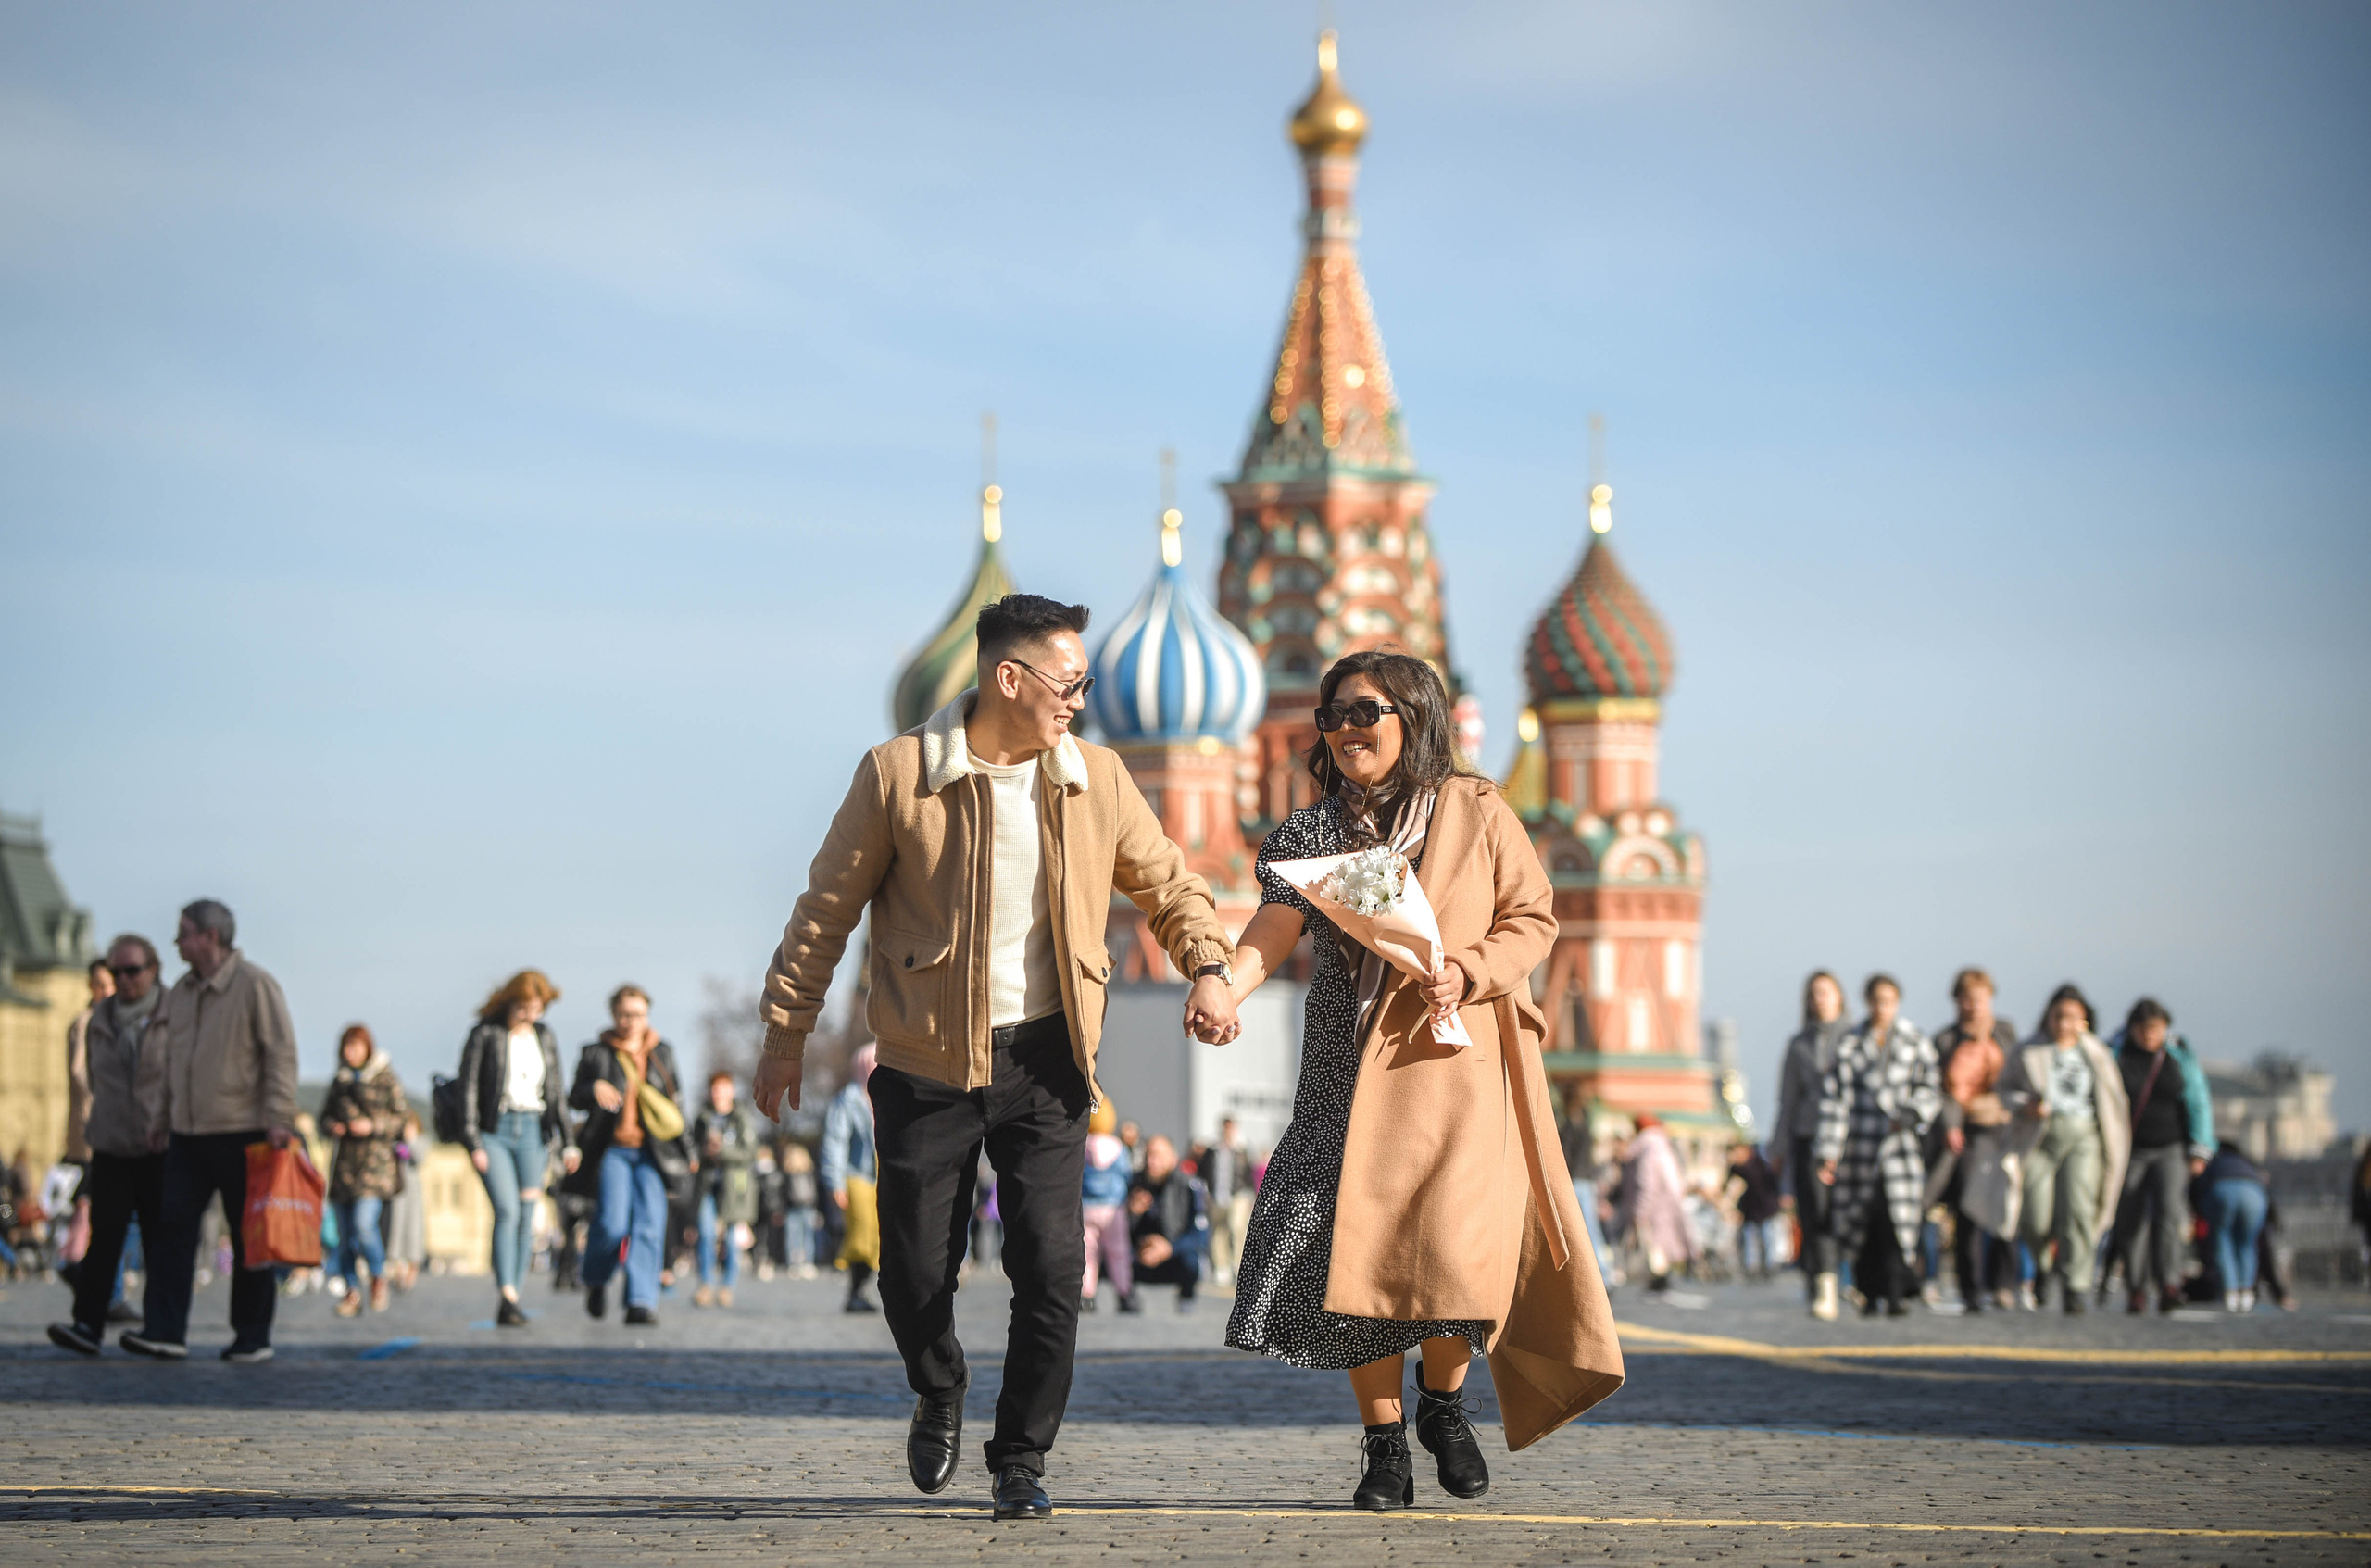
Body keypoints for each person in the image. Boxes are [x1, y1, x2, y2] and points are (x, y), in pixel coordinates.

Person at [751, 592, 1239, 1521]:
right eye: (1069, 682)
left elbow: (1170, 883)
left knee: (1055, 1271)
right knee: (911, 1272)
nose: (1079, 701)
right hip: (925, 1061)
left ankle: (1020, 1455)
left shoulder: (1092, 777)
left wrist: (1208, 965)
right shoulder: (901, 776)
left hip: (1048, 1063)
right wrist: (786, 1032)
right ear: (1007, 678)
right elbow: (826, 909)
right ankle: (938, 1384)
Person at [1221, 648, 1624, 1512]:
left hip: (1451, 1063)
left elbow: (1533, 917)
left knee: (1449, 1247)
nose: (1345, 729)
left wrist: (1471, 969)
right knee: (1354, 1255)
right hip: (1347, 1068)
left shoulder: (1474, 811)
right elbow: (1274, 924)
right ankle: (1382, 1446)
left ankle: (1443, 1405)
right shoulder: (1312, 834)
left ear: (1414, 716)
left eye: (1364, 712)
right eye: (1331, 716)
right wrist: (1228, 985)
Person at [122, 900, 298, 1362]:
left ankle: (252, 1336)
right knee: (171, 1230)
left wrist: (280, 1117)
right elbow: (170, 1065)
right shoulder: (179, 993)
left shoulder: (256, 985)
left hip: (244, 1129)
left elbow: (280, 1054)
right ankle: (164, 1330)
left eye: (184, 933)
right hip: (187, 1133)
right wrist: (161, 1119)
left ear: (211, 937)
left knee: (248, 1238)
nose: (176, 942)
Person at [47, 935, 167, 1356]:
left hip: (158, 1142)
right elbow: (89, 1080)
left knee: (159, 1238)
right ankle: (88, 1324)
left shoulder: (173, 1014)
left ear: (153, 969)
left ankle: (162, 1327)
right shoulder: (99, 1019)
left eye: (131, 971)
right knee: (104, 1236)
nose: (122, 980)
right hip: (111, 1141)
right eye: (116, 972)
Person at [1814, 974, 1941, 1321]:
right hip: (1860, 1146)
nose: (1881, 1008)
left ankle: (1898, 1290)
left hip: (1899, 1145)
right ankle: (1868, 1291)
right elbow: (1835, 1101)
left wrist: (1912, 1113)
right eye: (1876, 1000)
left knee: (1898, 1221)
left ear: (1897, 1002)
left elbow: (1931, 1088)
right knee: (1862, 1219)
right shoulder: (1851, 1044)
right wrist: (1830, 1151)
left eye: (1887, 1001)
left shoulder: (1915, 1041)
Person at [457, 971, 578, 1328]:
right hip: (495, 1130)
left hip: (532, 1131)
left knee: (527, 1214)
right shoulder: (485, 1034)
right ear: (510, 1002)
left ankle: (513, 1296)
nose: (531, 1016)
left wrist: (568, 1141)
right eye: (525, 1008)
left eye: (538, 1009)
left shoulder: (545, 1036)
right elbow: (468, 1089)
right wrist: (472, 1141)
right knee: (506, 1210)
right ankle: (505, 1288)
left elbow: (555, 1091)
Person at [1998, 984, 2129, 1314]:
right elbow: (2003, 1090)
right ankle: (2043, 1267)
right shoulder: (2028, 1050)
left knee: (2078, 1210)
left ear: (2084, 1019)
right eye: (2058, 1016)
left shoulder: (2096, 1053)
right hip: (2039, 1136)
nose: (2063, 1023)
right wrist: (2025, 1103)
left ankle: (2076, 1285)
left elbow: (2114, 1101)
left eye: (2071, 1017)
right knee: (2035, 1215)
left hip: (2084, 1135)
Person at [568, 985, 687, 1327]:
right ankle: (595, 1278)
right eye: (624, 1014)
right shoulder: (595, 1053)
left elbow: (676, 1104)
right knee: (612, 1223)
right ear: (613, 1015)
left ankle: (640, 1301)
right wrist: (593, 1088)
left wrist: (687, 1150)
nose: (631, 1022)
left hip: (653, 1153)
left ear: (647, 1015)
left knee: (650, 1225)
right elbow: (573, 1097)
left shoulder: (662, 1052)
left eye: (638, 1015)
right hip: (612, 1151)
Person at [2105, 997, 2214, 1314]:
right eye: (2143, 1029)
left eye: (2156, 1028)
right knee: (2130, 1218)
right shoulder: (2117, 1056)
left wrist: (2200, 1147)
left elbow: (2198, 1102)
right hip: (2129, 1151)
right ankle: (2137, 1287)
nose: (2149, 1035)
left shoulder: (2178, 1058)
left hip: (2171, 1148)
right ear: (2132, 1029)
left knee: (2169, 1213)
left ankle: (2169, 1284)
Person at [1927, 967, 2019, 1312]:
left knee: (2006, 1207)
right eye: (1967, 999)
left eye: (1980, 999)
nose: (1974, 1006)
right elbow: (1942, 1091)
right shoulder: (1946, 1041)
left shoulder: (2006, 1033)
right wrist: (1950, 1125)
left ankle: (2004, 1284)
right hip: (1966, 1132)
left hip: (2004, 1128)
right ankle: (1971, 1287)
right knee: (1968, 1209)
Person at [320, 1024, 409, 1317]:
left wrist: (373, 1126)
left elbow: (401, 1118)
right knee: (345, 1236)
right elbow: (325, 1116)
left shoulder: (385, 1078)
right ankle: (351, 1291)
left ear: (367, 1048)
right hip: (345, 1167)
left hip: (375, 1168)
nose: (351, 1052)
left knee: (363, 1225)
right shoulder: (340, 1081)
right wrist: (331, 1126)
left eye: (356, 1046)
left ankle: (377, 1273)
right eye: (347, 1047)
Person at [1770, 971, 1848, 1302]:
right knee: (1812, 1210)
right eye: (1814, 994)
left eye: (1826, 993)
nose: (1820, 999)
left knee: (1842, 1211)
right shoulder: (1798, 1044)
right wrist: (1778, 1146)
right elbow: (1787, 1099)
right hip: (1806, 1135)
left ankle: (1847, 1277)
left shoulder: (1853, 1038)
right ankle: (1821, 1279)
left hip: (1847, 1137)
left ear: (1839, 997)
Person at [692, 1072, 762, 1308]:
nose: (719, 1094)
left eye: (723, 1088)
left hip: (735, 1187)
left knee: (733, 1239)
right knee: (705, 1233)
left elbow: (750, 1153)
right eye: (715, 1089)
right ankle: (705, 1284)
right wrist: (703, 1151)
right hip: (707, 1184)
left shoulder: (742, 1117)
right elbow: (693, 1149)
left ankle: (727, 1287)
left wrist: (721, 1151)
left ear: (731, 1090)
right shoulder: (702, 1117)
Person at [820, 1045, 881, 1313]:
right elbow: (835, 1142)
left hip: (884, 1176)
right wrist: (835, 1183)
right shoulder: (850, 1098)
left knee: (879, 1237)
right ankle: (856, 1291)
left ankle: (866, 1290)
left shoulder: (885, 1097)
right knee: (861, 1237)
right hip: (857, 1177)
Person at [1126, 1135, 1209, 1311]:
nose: (1151, 1161)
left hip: (1174, 1255)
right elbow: (1117, 1231)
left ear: (1173, 1159)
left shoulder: (1189, 1185)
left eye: (1157, 1156)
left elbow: (1200, 1234)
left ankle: (1186, 1296)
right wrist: (1131, 1215)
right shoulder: (1134, 1183)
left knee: (1192, 1261)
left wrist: (1169, 1248)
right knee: (1115, 1253)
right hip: (1142, 1254)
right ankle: (1126, 1296)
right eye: (1148, 1155)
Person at [1618, 1114, 1695, 1292]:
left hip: (1655, 1207)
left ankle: (1659, 1282)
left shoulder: (1648, 1149)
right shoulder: (1662, 1146)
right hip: (1666, 1204)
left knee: (1654, 1246)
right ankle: (1660, 1281)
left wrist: (1640, 1211)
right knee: (1661, 1246)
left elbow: (1647, 1182)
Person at [2194, 1139, 2270, 1312]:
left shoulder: (2215, 1162)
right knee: (2247, 1244)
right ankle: (2247, 1292)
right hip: (2255, 1195)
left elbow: (2199, 1187)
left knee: (2223, 1241)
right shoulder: (2247, 1162)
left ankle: (2230, 1292)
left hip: (2222, 1191)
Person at [1079, 1101, 1134, 1311]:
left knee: (1088, 1253)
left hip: (1087, 1207)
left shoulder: (1083, 1144)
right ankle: (1123, 1293)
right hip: (1113, 1208)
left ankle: (1087, 1296)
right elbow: (1126, 1174)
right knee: (1118, 1251)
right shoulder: (1118, 1148)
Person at [1203, 1116, 1255, 1288]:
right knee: (1218, 1231)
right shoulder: (1212, 1149)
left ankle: (1238, 1265)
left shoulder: (1242, 1149)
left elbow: (1249, 1173)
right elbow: (1204, 1171)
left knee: (1237, 1227)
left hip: (1237, 1194)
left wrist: (1252, 1195)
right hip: (1217, 1195)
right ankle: (1221, 1266)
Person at [1725, 1142, 1785, 1280]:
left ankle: (1769, 1266)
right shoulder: (1737, 1168)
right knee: (1750, 1239)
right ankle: (1752, 1267)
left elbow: (1771, 1184)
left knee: (1767, 1238)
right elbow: (1729, 1184)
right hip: (1750, 1211)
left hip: (1766, 1209)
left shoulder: (1759, 1165)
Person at [384, 1115, 427, 1292]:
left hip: (413, 1195)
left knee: (413, 1232)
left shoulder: (422, 1142)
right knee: (395, 1230)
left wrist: (411, 1140)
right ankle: (398, 1269)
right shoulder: (395, 1142)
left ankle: (412, 1270)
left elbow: (419, 1158)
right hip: (396, 1192)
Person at [783, 1142, 821, 1279]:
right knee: (802, 1237)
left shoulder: (797, 1174)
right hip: (801, 1208)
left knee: (798, 1236)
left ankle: (799, 1263)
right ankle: (802, 1263)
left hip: (800, 1208)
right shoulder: (805, 1173)